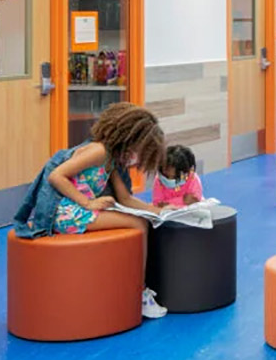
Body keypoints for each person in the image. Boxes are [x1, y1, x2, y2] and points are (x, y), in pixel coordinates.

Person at [12, 101, 170, 317]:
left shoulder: (112, 160)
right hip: (64, 213)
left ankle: (137, 288)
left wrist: (159, 210)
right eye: (140, 151)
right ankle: (140, 292)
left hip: (78, 211)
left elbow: (125, 198)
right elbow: (56, 176)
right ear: (129, 139)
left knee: (142, 218)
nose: (138, 159)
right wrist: (87, 203)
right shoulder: (98, 151)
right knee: (138, 223)